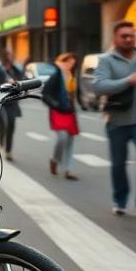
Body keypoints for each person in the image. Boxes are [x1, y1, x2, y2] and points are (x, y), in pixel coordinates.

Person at [92, 20, 136, 224]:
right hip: (117, 121)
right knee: (118, 165)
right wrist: (127, 81)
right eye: (124, 36)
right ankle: (120, 201)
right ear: (115, 38)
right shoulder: (106, 60)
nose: (128, 39)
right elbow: (99, 86)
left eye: (131, 35)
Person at [43, 53, 81, 181]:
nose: (70, 65)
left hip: (70, 112)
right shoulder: (56, 76)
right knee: (62, 138)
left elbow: (75, 94)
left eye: (72, 62)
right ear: (61, 62)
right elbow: (45, 93)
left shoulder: (73, 76)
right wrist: (56, 104)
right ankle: (55, 160)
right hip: (58, 111)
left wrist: (83, 103)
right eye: (68, 62)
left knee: (70, 141)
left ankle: (68, 170)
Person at [0, 52, 24, 160]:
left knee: (11, 125)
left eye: (11, 58)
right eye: (7, 58)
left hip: (13, 102)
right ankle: (2, 145)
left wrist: (17, 85)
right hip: (1, 102)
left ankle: (8, 150)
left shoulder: (16, 70)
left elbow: (22, 82)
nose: (9, 60)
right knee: (3, 125)